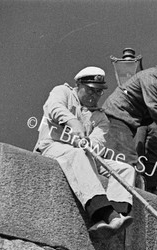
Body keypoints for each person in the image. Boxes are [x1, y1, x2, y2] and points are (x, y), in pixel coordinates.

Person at [34, 67, 135, 239]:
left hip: (85, 155)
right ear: (78, 85)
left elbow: (98, 142)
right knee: (77, 154)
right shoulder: (63, 91)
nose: (94, 95)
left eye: (98, 92)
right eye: (90, 90)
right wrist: (73, 121)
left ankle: (116, 216)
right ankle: (105, 214)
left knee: (126, 169)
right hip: (52, 146)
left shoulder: (101, 118)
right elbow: (53, 107)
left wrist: (90, 144)